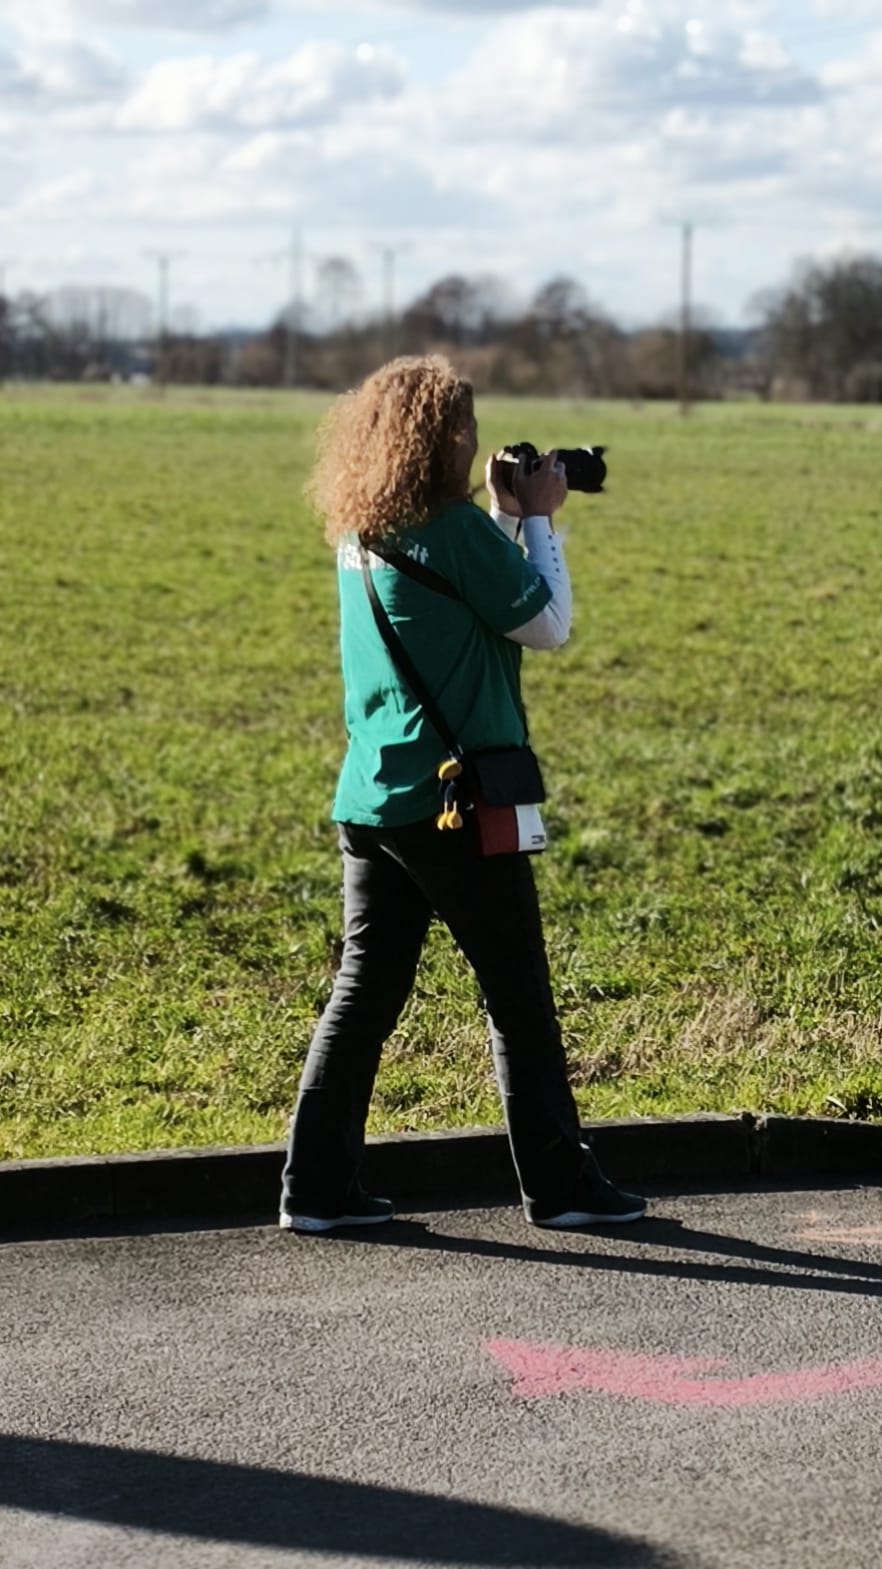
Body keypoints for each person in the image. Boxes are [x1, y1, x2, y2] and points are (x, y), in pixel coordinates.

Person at [279, 354, 647, 1234]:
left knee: (364, 992)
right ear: (447, 439)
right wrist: (539, 522)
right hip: (460, 802)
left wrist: (505, 518)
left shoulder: (359, 531)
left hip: (373, 793)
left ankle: (317, 1189)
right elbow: (546, 624)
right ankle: (561, 1189)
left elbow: (458, 601)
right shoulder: (454, 530)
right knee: (517, 993)